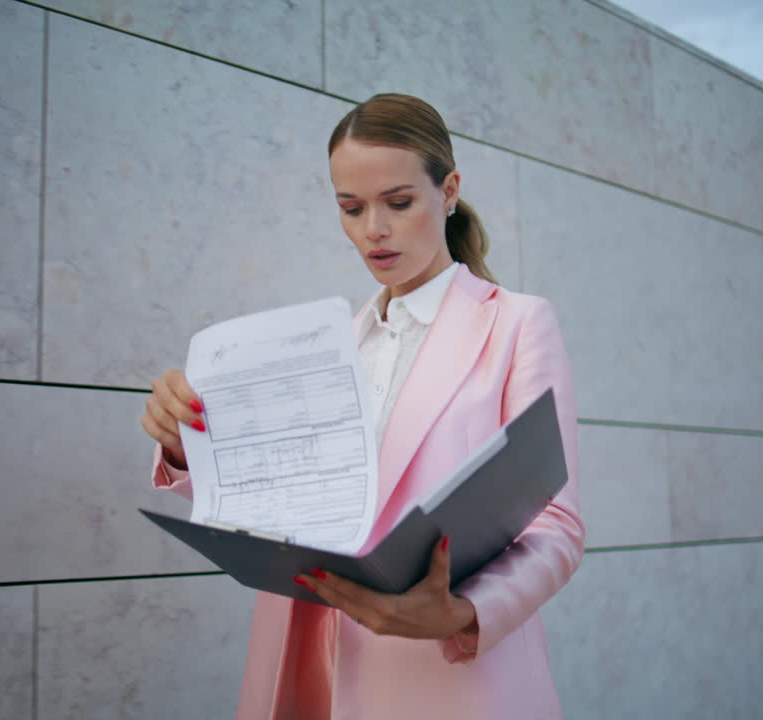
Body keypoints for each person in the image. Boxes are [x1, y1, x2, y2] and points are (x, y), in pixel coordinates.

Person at [141, 93, 583, 720]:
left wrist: (463, 612)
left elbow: (557, 524)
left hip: (442, 675)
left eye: (398, 203)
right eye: (351, 208)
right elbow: (268, 496)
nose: (373, 228)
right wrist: (187, 442)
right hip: (306, 659)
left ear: (449, 191)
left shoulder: (517, 324)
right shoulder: (324, 348)